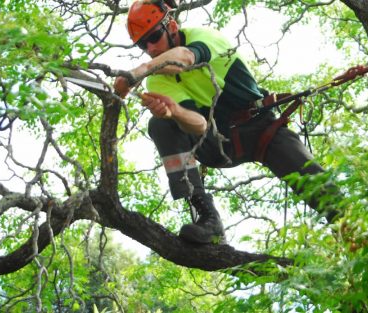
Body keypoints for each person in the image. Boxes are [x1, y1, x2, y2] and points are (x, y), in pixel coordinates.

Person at [114, 0, 339, 245]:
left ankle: (353, 235)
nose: (150, 48)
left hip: (261, 129)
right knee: (160, 125)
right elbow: (199, 126)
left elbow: (186, 57)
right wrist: (175, 112)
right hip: (219, 144)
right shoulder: (157, 82)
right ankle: (208, 217)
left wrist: (138, 72)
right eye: (142, 44)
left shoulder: (203, 37)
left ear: (172, 26)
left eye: (155, 36)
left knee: (324, 193)